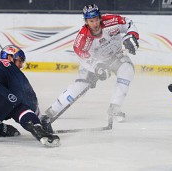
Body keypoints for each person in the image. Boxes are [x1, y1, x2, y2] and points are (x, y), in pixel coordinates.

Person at [40, 4, 139, 132]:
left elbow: (128, 23)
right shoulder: (82, 38)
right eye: (91, 21)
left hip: (116, 56)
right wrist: (97, 67)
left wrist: (131, 36)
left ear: (100, 17)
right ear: (86, 21)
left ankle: (115, 108)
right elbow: (83, 56)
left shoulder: (111, 21)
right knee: (80, 86)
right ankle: (53, 110)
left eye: (97, 19)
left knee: (127, 69)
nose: (95, 23)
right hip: (94, 63)